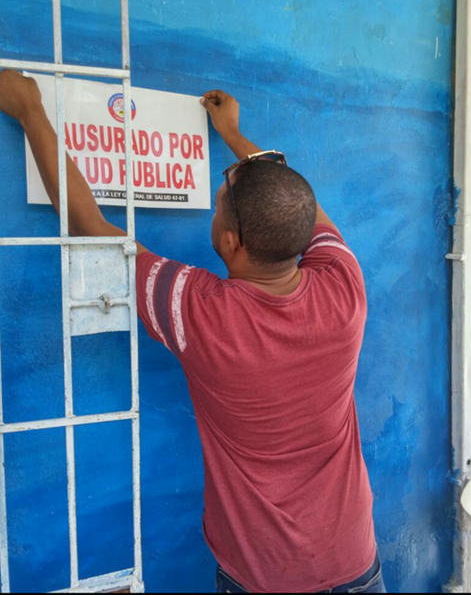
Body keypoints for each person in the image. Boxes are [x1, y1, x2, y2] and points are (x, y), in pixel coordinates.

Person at [0, 70, 386, 594]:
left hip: (263, 578)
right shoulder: (344, 288)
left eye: (222, 195)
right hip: (356, 561)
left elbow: (90, 224)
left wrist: (30, 113)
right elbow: (294, 201)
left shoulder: (201, 313)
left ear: (228, 242)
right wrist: (234, 135)